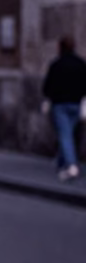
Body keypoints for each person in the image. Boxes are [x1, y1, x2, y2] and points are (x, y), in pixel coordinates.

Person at [42, 36, 86, 181]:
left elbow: (47, 86)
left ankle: (71, 166)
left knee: (65, 134)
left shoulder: (56, 65)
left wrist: (49, 97)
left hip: (60, 104)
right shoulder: (81, 64)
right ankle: (61, 161)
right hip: (76, 103)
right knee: (68, 133)